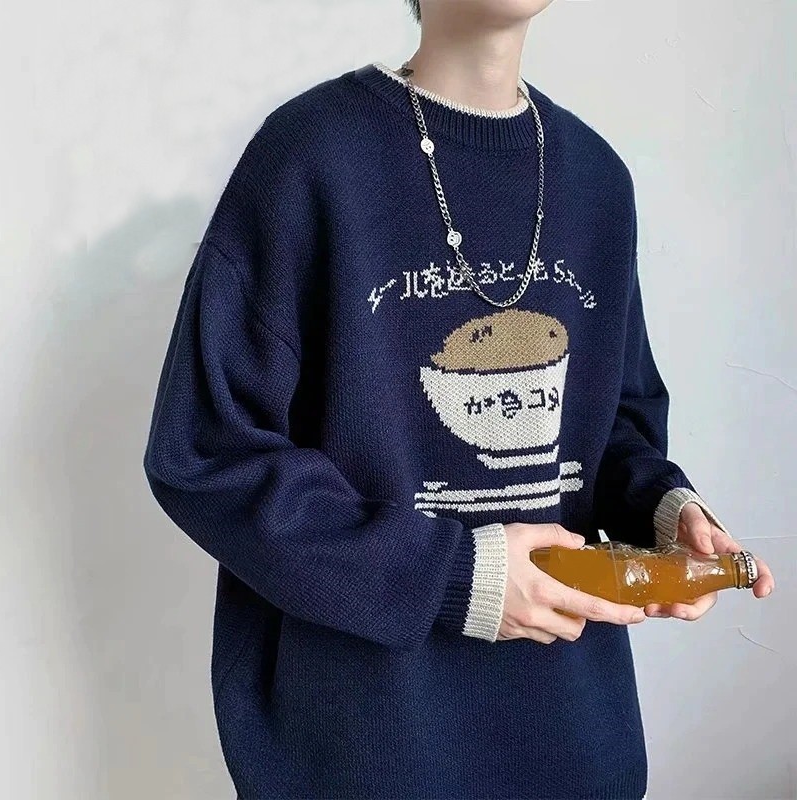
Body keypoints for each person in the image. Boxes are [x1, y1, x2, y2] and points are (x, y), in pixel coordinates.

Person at [142, 1, 775, 797]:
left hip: (575, 740)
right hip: (366, 749)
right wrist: (455, 576)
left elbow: (609, 423)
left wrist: (663, 507)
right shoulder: (309, 158)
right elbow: (205, 453)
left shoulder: (597, 180)